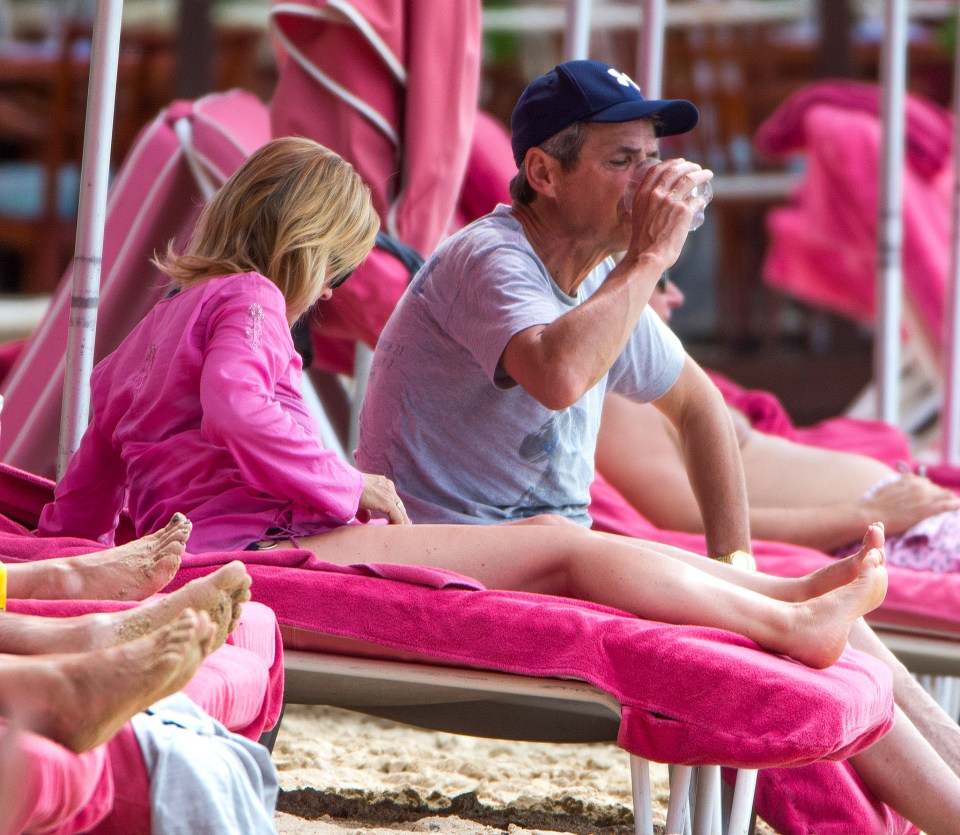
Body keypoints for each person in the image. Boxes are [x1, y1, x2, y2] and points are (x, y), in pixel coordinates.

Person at [29, 134, 959, 832]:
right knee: (567, 552)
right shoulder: (251, 297)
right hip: (279, 545)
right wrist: (345, 481)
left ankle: (785, 599)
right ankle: (787, 613)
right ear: (309, 242)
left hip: (242, 542)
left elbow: (83, 493)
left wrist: (74, 559)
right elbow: (241, 409)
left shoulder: (143, 335)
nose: (332, 285)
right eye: (342, 261)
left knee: (575, 550)